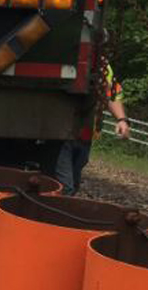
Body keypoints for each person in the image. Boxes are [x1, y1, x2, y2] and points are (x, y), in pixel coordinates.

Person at [56, 63, 130, 195]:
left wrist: (121, 120)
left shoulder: (102, 64)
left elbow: (111, 93)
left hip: (84, 134)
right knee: (65, 187)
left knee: (73, 183)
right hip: (59, 132)